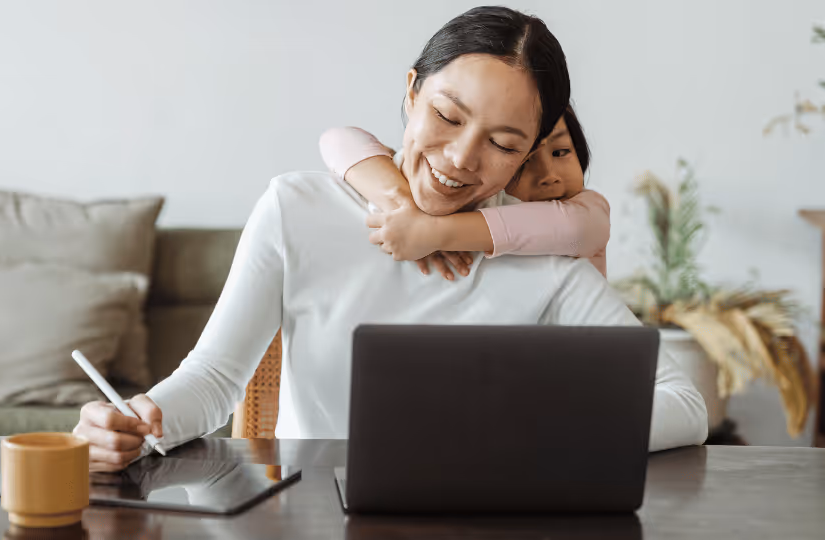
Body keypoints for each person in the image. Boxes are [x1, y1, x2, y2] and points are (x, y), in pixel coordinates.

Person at [73, 6, 707, 472]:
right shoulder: (298, 208)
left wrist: (542, 428)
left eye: (504, 144)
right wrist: (135, 421)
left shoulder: (541, 254)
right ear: (410, 93)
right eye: (447, 116)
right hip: (311, 517)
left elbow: (683, 404)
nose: (461, 158)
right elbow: (213, 381)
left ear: (529, 154)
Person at [319, 105, 610, 278]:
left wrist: (432, 231)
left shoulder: (588, 211)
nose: (549, 176)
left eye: (561, 152)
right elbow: (339, 139)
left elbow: (572, 228)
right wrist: (404, 206)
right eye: (525, 161)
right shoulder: (479, 203)